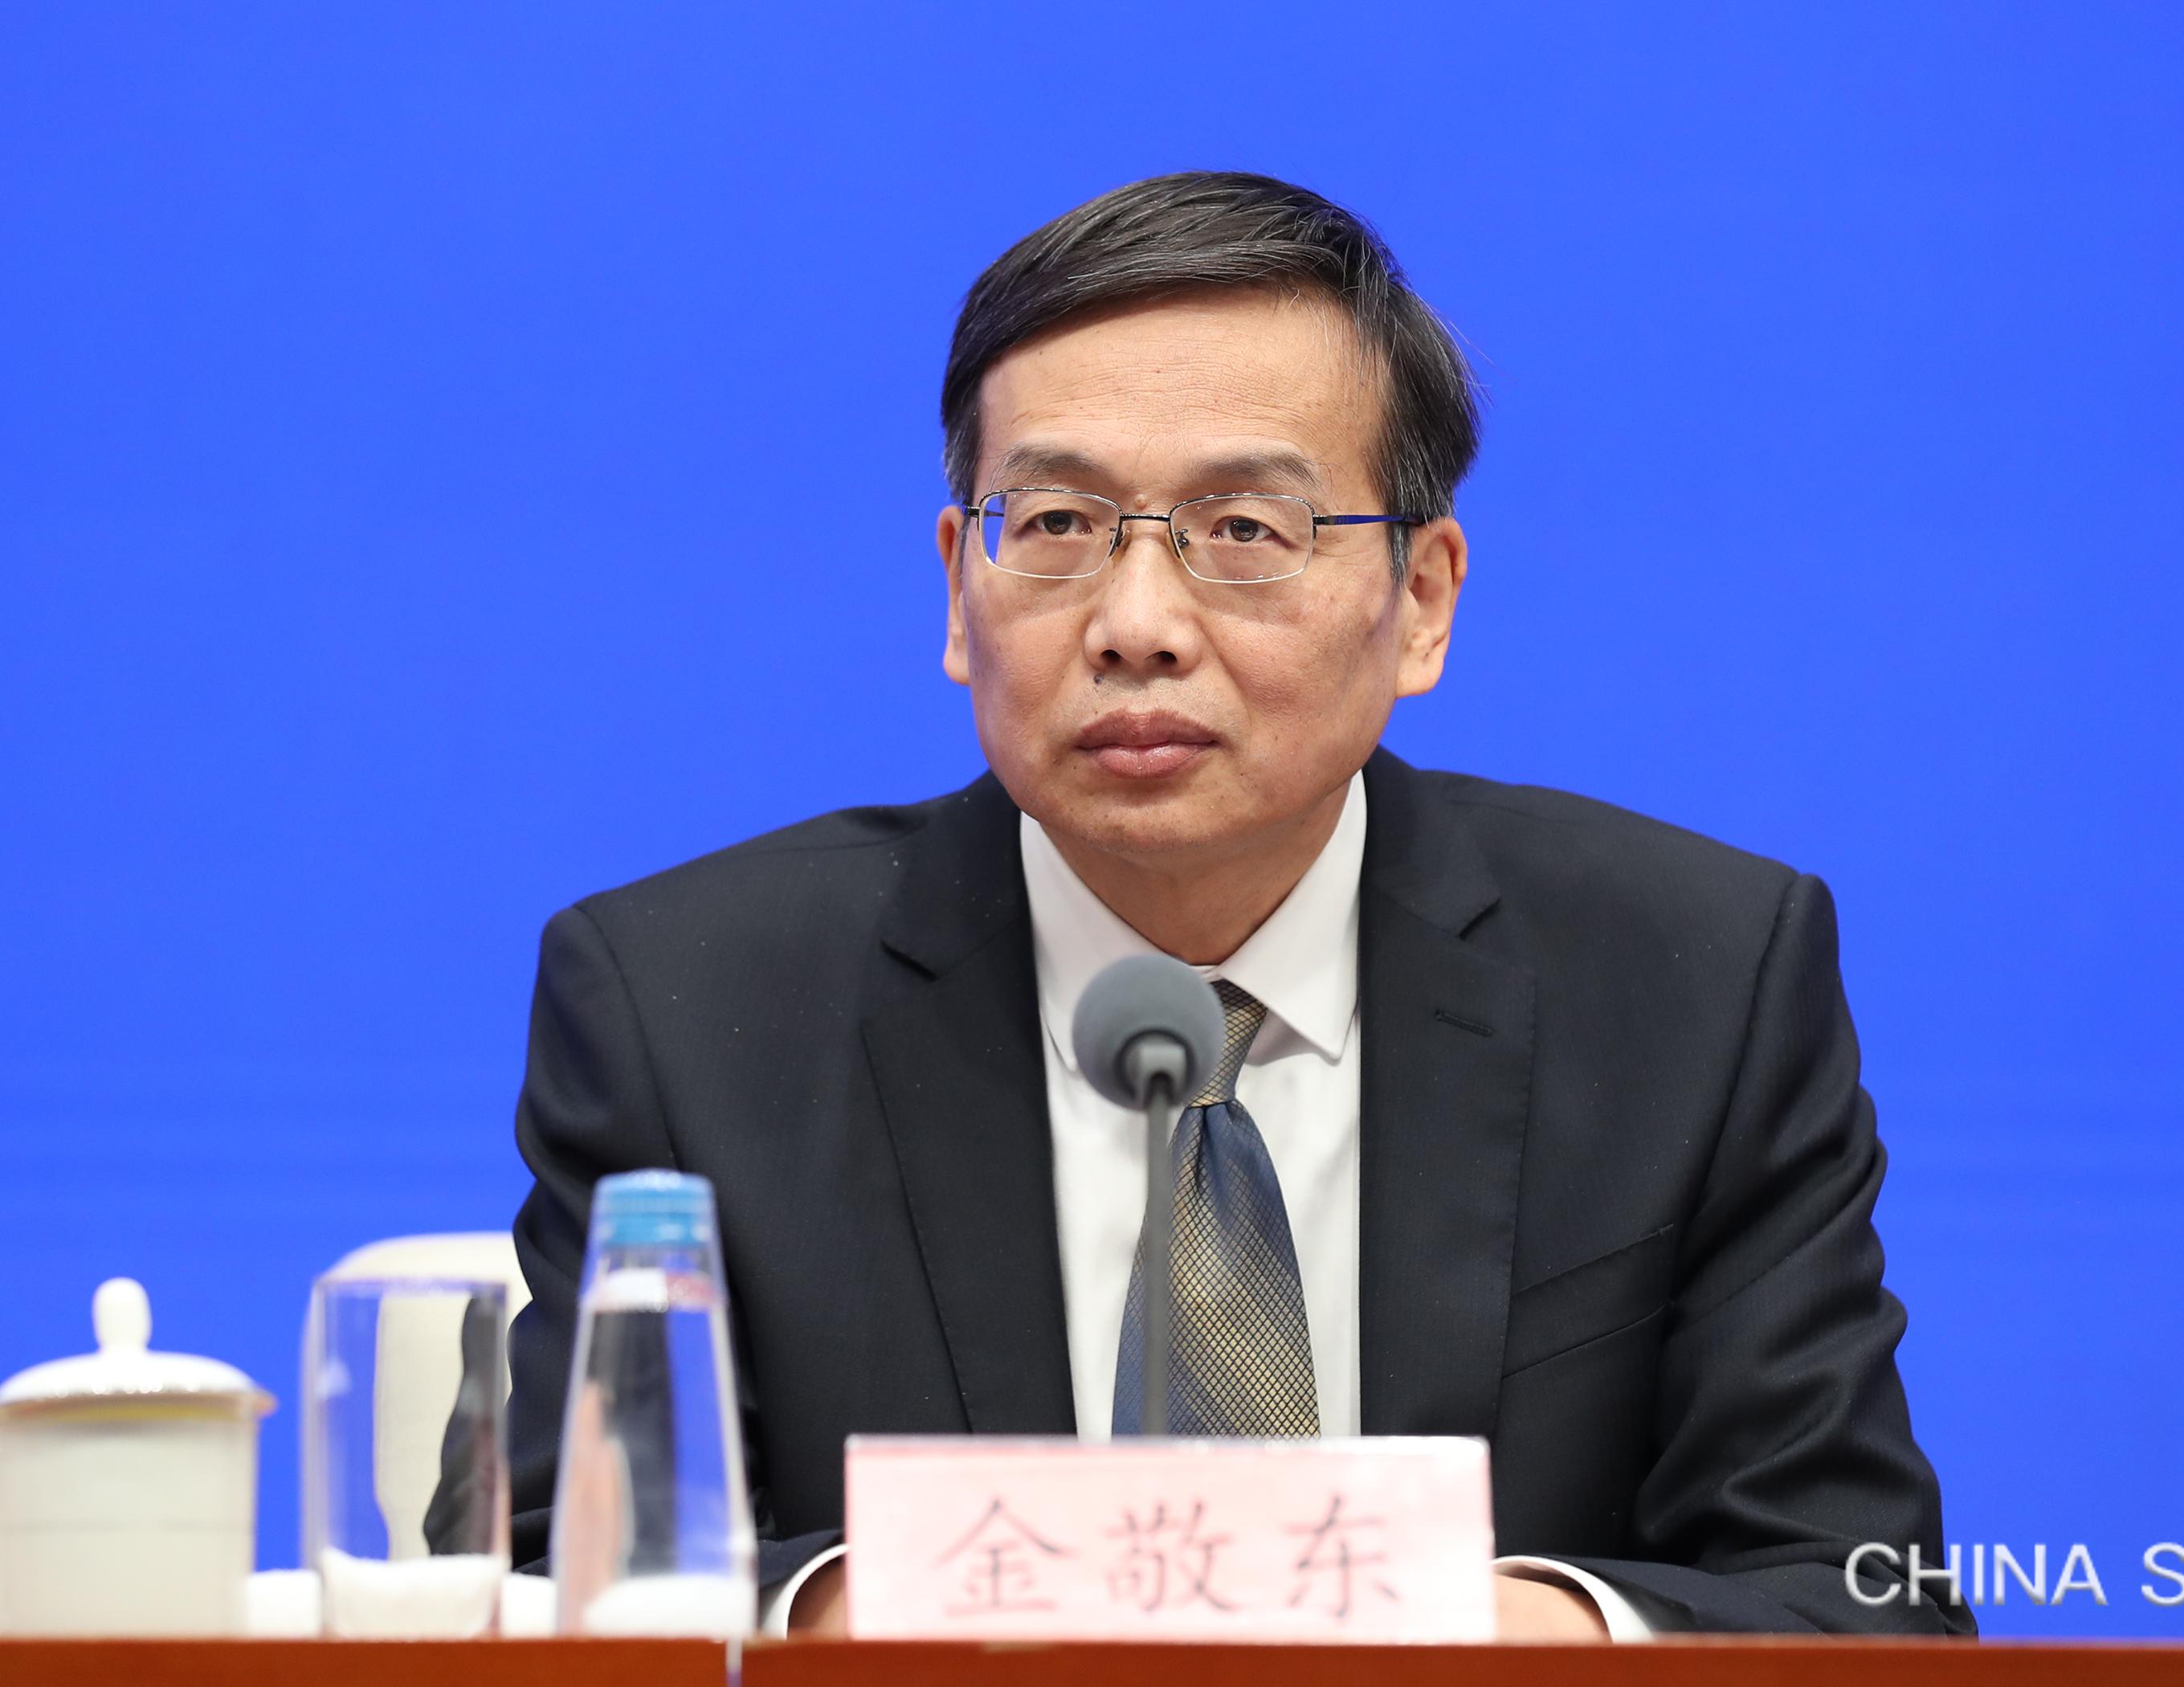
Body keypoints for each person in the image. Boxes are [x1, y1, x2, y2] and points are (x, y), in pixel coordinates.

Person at [502, 170, 1971, 1640]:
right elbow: (539, 1588)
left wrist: (1465, 1632)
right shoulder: (686, 1011)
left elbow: (1860, 1602)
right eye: (1058, 522)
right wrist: (881, 1617)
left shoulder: (1693, 983)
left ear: (1422, 599)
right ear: (958, 590)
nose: (1137, 625)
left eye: (1247, 530)